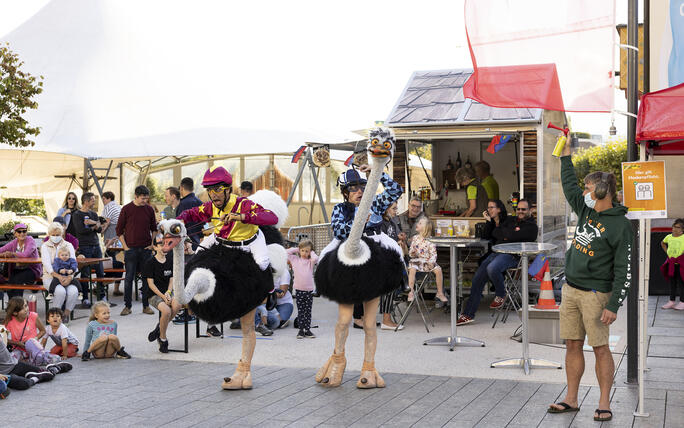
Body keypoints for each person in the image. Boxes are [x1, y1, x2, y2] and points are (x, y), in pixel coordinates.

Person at [548, 144, 632, 422]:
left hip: (597, 295)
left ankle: (604, 402)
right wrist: (565, 156)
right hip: (571, 289)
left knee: (600, 348)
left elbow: (624, 268)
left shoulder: (621, 226)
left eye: (588, 188)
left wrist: (614, 303)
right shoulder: (586, 211)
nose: (582, 193)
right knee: (572, 344)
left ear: (601, 192)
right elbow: (569, 184)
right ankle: (571, 399)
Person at [176, 166, 277, 272]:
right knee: (198, 258)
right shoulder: (210, 207)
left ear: (228, 190)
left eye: (217, 190)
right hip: (219, 240)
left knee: (262, 265)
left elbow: (272, 218)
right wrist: (178, 221)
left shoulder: (244, 204)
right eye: (210, 190)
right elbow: (190, 213)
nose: (213, 195)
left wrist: (241, 217)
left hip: (249, 243)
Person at [457, 198, 538, 325]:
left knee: (492, 268)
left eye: (524, 209)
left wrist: (507, 234)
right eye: (518, 209)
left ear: (530, 210)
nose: (520, 211)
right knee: (477, 280)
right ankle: (468, 314)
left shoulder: (532, 227)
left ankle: (501, 294)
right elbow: (497, 233)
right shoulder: (511, 220)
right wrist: (505, 232)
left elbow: (510, 236)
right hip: (497, 253)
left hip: (513, 256)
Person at [116, 185, 158, 316]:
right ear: (136, 196)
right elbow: (119, 230)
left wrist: (152, 244)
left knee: (146, 278)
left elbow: (154, 228)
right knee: (128, 278)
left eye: (146, 198)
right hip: (131, 249)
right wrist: (125, 247)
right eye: (142, 198)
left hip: (146, 249)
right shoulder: (126, 209)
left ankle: (146, 306)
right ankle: (127, 306)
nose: (145, 201)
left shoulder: (149, 209)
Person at [144, 235, 182, 353]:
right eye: (161, 244)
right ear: (154, 247)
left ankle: (159, 329)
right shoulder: (150, 262)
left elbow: (172, 278)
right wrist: (163, 296)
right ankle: (163, 338)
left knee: (177, 305)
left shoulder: (170, 260)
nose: (164, 247)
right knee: (166, 311)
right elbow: (151, 284)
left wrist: (169, 293)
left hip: (168, 292)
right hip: (154, 294)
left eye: (166, 244)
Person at [0, 333, 71, 391]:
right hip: (4, 373)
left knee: (47, 374)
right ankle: (36, 378)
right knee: (24, 384)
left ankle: (54, 368)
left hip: (15, 364)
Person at [4, 297, 60, 366]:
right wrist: (17, 343)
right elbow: (3, 338)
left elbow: (43, 331)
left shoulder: (33, 316)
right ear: (15, 313)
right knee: (14, 361)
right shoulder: (9, 321)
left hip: (33, 347)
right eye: (22, 308)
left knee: (31, 345)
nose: (26, 309)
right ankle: (33, 360)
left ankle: (41, 357)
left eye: (26, 306)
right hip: (17, 348)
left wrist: (34, 339)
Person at [41, 222, 80, 318]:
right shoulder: (45, 246)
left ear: (62, 234)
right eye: (53, 235)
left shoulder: (69, 245)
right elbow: (47, 265)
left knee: (73, 291)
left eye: (57, 235)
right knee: (60, 291)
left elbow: (74, 263)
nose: (55, 237)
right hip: (50, 277)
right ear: (49, 235)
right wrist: (59, 276)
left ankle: (66, 314)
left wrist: (70, 277)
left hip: (68, 276)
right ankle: (55, 315)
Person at [72, 192, 106, 302]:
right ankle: (85, 297)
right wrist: (94, 226)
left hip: (96, 245)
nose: (94, 202)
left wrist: (94, 224)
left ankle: (102, 295)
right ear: (86, 201)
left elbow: (100, 230)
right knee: (85, 272)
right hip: (84, 246)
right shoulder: (77, 215)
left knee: (100, 271)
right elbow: (81, 230)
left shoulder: (94, 214)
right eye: (92, 200)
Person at [407, 217, 448, 307]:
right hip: (417, 261)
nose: (417, 224)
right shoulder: (415, 238)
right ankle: (411, 291)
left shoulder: (431, 240)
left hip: (427, 261)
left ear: (426, 228)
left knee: (438, 270)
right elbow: (411, 253)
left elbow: (433, 254)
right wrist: (412, 253)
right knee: (412, 269)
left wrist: (431, 262)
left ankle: (440, 293)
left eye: (420, 223)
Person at [0, 223, 42, 299]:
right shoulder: (14, 242)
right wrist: (3, 254)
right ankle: (13, 305)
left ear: (26, 232)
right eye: (19, 232)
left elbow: (25, 254)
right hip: (19, 270)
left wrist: (11, 254)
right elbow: (1, 250)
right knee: (11, 282)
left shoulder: (30, 240)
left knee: (17, 280)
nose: (22, 233)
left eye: (24, 231)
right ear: (15, 233)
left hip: (32, 271)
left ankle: (18, 306)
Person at [287, 240, 318, 339]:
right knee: (301, 311)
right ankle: (301, 330)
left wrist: (311, 251)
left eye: (307, 251)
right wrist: (297, 248)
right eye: (303, 251)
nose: (305, 253)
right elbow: (285, 252)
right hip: (299, 291)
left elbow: (316, 258)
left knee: (308, 311)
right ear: (299, 251)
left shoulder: (310, 262)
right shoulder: (295, 259)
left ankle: (307, 330)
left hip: (309, 291)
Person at [660, 218, 684, 310]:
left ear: (682, 230)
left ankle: (682, 301)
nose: (675, 229)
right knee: (672, 282)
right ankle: (671, 301)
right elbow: (662, 243)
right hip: (672, 263)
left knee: (682, 283)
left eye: (678, 227)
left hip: (681, 264)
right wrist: (668, 252)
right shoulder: (668, 237)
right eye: (674, 227)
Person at [176, 177, 203, 250]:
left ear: (181, 188)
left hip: (186, 244)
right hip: (199, 242)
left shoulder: (182, 204)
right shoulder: (200, 203)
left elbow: (179, 225)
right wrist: (201, 236)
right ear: (192, 188)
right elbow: (204, 223)